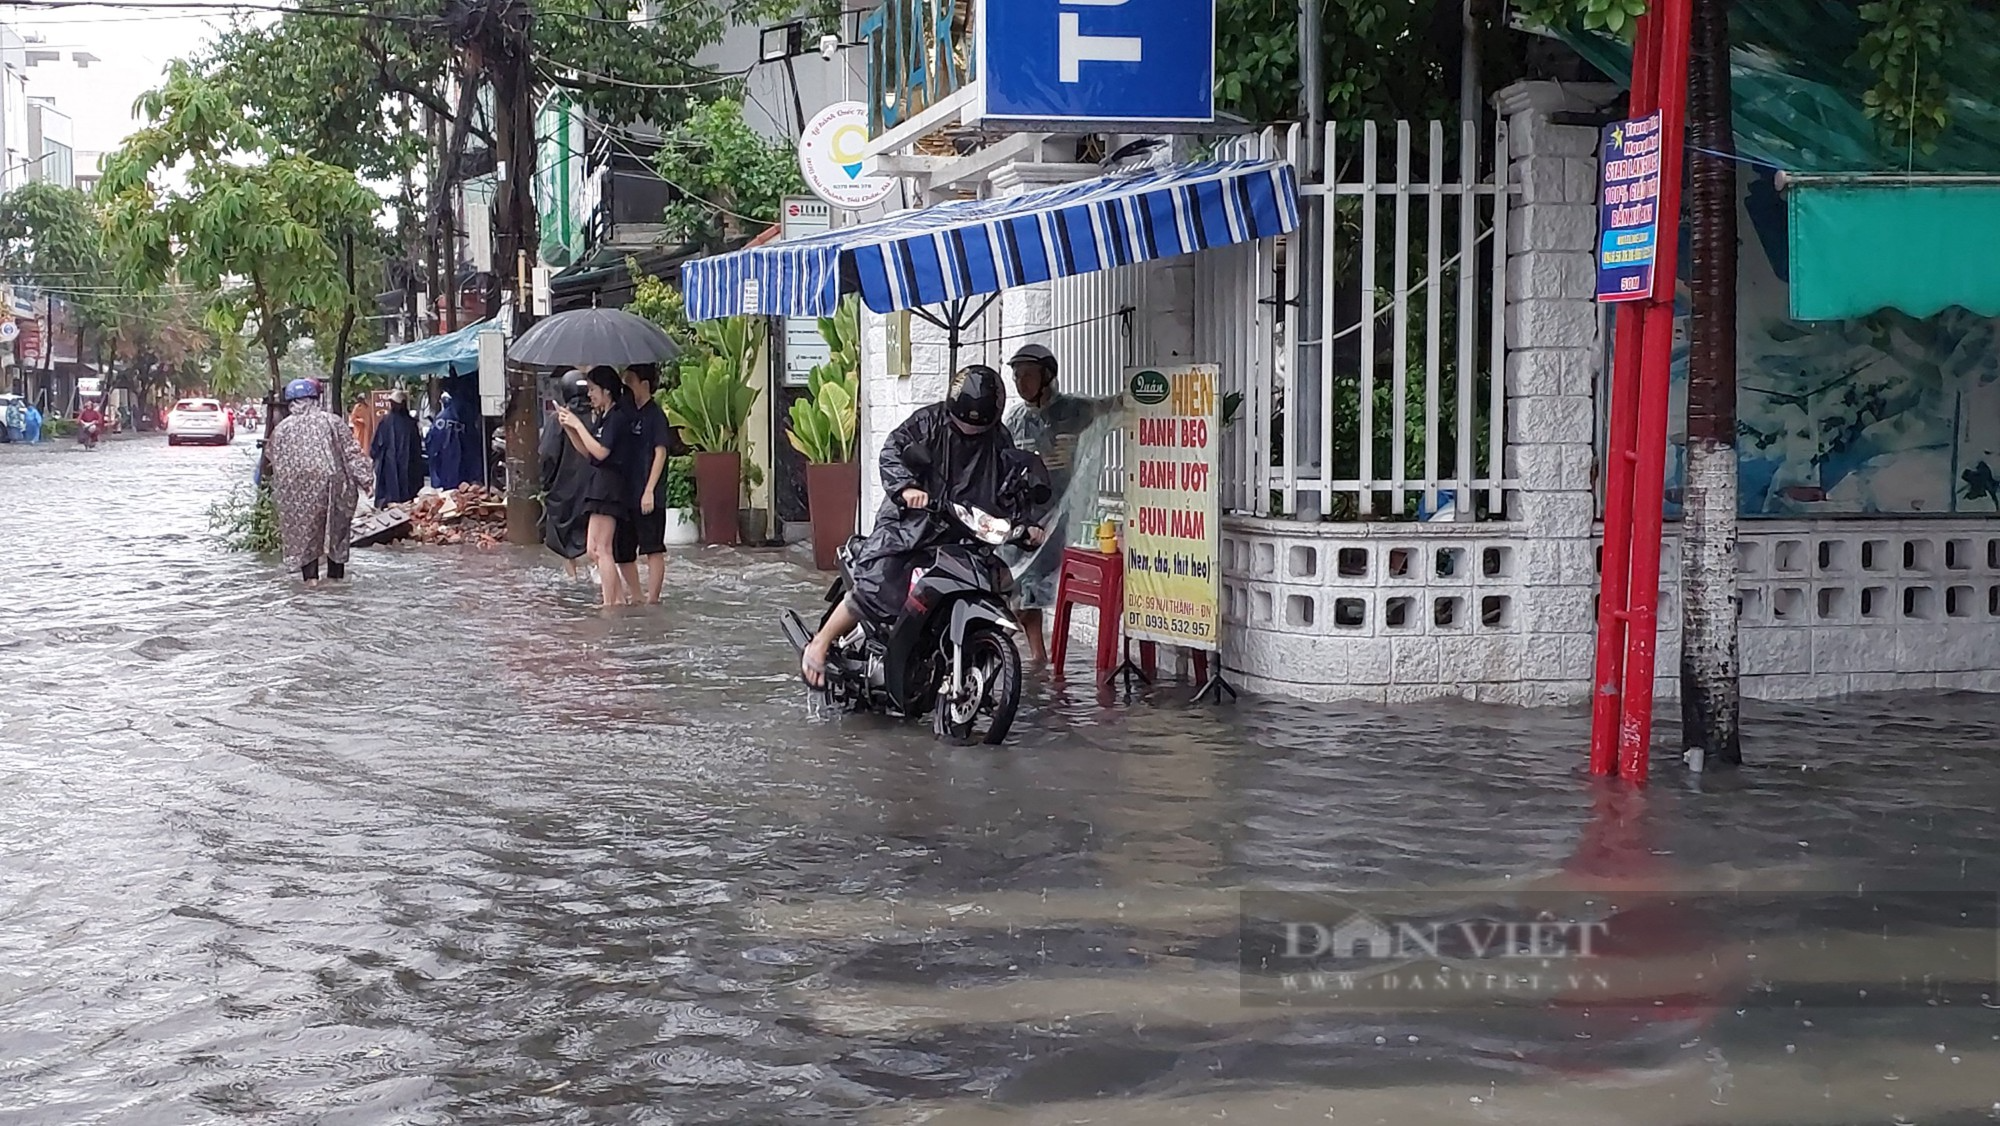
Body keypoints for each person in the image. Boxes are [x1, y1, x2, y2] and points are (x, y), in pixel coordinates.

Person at [800, 365, 1048, 687]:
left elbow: (1010, 484)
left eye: (979, 427)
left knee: (998, 582)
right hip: (913, 522)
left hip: (967, 529)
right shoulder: (928, 422)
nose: (970, 432)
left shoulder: (999, 439)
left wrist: (1026, 524)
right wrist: (906, 489)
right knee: (882, 578)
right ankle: (820, 644)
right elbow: (893, 450)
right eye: (963, 425)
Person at [1001, 343, 1125, 667]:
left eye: (1028, 375)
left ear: (1047, 376)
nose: (1021, 382)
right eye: (1016, 376)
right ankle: (1038, 655)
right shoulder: (1015, 419)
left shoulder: (1072, 410)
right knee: (1021, 586)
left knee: (1033, 585)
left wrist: (1139, 392)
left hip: (1058, 514)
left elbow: (1109, 408)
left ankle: (1024, 648)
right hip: (1023, 514)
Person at [265, 377, 373, 586]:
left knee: (304, 534)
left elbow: (271, 458)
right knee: (336, 533)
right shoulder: (332, 421)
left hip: (295, 491)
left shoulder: (281, 429)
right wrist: (366, 480)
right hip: (334, 485)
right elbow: (351, 452)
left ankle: (310, 582)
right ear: (315, 399)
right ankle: (335, 581)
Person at [554, 366, 643, 608]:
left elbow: (602, 452)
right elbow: (588, 452)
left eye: (593, 390)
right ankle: (617, 598)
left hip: (610, 488)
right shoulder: (604, 418)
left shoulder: (617, 418)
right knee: (593, 549)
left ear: (607, 391)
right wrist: (570, 429)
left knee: (602, 548)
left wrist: (578, 425)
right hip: (599, 485)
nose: (590, 395)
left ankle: (611, 602)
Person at [623, 363, 675, 605]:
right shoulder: (627, 412)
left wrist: (650, 490)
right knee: (624, 549)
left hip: (648, 491)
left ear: (644, 384)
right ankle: (636, 595)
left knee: (652, 548)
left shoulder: (656, 416)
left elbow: (660, 453)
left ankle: (653, 598)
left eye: (630, 380)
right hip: (628, 491)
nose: (626, 385)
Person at [539, 369, 597, 578]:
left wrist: (546, 483)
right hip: (594, 486)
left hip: (564, 487)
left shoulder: (559, 419)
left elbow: (547, 455)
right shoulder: (598, 416)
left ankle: (572, 577)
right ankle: (597, 572)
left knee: (565, 539)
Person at [369, 389, 423, 506]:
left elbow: (416, 448)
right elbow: (376, 444)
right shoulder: (386, 421)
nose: (393, 405)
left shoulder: (410, 423)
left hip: (407, 465)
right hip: (389, 464)